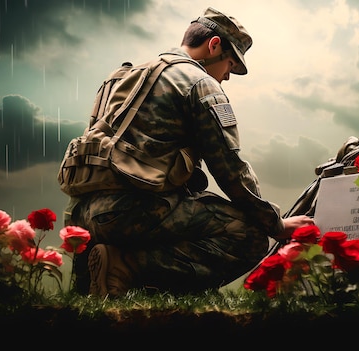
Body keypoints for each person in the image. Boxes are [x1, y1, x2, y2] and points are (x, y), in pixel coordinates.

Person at [64, 7, 314, 297]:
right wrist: (276, 224)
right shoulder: (199, 82)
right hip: (131, 212)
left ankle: (98, 275)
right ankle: (127, 268)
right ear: (214, 45)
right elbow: (230, 168)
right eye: (230, 65)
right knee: (249, 235)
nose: (228, 76)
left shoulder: (122, 77)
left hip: (82, 215)